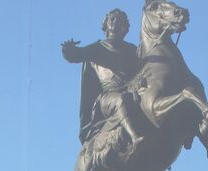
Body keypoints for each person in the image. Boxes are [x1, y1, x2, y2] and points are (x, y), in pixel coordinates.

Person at [61, 9, 146, 146]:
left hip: (131, 90)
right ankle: (134, 137)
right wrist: (68, 50)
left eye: (120, 20)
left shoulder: (133, 50)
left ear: (125, 27)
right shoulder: (98, 48)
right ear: (106, 24)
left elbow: (145, 67)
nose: (116, 22)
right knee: (121, 99)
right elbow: (76, 55)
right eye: (112, 19)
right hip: (108, 96)